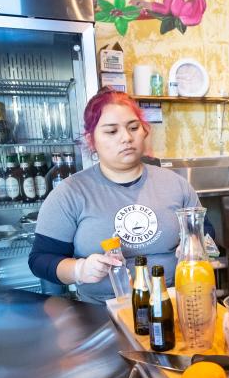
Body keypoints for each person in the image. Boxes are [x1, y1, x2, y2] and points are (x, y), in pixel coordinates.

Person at [29, 89, 201, 304]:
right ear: (92, 140)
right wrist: (79, 269)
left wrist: (194, 244)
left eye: (133, 127)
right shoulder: (70, 193)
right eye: (111, 131)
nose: (127, 138)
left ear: (144, 131)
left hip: (172, 302)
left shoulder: (175, 184)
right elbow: (40, 259)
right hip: (101, 312)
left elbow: (204, 232)